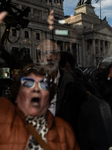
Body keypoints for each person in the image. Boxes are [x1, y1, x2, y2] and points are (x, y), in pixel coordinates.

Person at [0, 63, 80, 150]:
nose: (36, 89)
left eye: (43, 85)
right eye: (28, 83)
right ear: (17, 95)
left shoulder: (64, 130)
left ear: (49, 99)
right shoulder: (4, 118)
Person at [37, 39, 88, 139]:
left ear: (59, 57)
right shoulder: (30, 83)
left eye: (52, 53)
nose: (49, 58)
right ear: (39, 58)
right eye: (44, 53)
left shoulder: (73, 85)